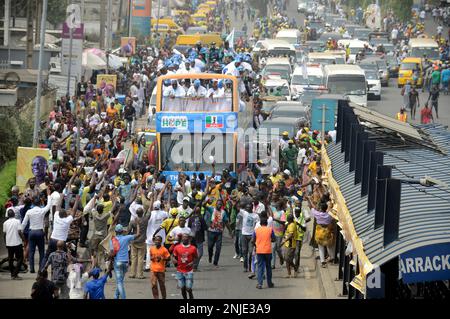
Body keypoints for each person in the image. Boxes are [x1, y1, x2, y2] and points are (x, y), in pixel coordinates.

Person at [22, 188, 52, 273]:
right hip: (40, 232)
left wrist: (20, 231)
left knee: (31, 251)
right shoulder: (42, 210)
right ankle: (41, 268)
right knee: (41, 251)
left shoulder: (29, 211)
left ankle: (31, 269)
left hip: (31, 232)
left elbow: (24, 223)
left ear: (33, 203)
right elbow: (49, 205)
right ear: (40, 203)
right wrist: (49, 195)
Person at [108, 222, 140, 299]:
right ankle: (116, 296)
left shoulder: (112, 240)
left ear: (115, 232)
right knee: (120, 281)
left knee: (119, 282)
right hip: (125, 262)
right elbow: (138, 234)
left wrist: (109, 258)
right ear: (122, 231)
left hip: (117, 262)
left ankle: (123, 297)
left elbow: (112, 253)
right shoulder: (127, 238)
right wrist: (138, 225)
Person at [172, 233, 198, 299]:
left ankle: (191, 295)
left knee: (188, 288)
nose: (184, 238)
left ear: (189, 239)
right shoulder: (177, 247)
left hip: (189, 271)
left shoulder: (193, 248)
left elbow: (196, 258)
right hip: (179, 270)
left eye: (186, 237)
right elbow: (174, 256)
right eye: (183, 237)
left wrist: (192, 263)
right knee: (182, 288)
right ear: (181, 239)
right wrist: (174, 260)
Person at [252, 217, 275, 289]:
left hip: (259, 251)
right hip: (268, 251)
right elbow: (274, 239)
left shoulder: (256, 230)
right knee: (268, 267)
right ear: (267, 223)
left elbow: (252, 241)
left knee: (260, 267)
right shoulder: (270, 229)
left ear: (260, 223)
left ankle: (260, 284)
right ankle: (269, 283)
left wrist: (256, 245)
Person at [205, 199, 229, 267]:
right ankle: (210, 256)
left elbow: (226, 222)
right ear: (216, 204)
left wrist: (230, 231)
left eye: (220, 204)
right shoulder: (212, 209)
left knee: (218, 248)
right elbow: (203, 205)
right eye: (218, 204)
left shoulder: (223, 212)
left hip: (219, 232)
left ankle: (215, 262)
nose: (219, 205)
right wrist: (207, 201)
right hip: (211, 231)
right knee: (210, 246)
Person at [3, 208, 25, 280]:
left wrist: (6, 242)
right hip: (17, 243)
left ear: (8, 215)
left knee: (10, 259)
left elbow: (4, 234)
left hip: (9, 243)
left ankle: (12, 274)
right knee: (20, 258)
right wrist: (24, 240)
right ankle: (15, 274)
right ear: (14, 214)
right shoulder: (17, 221)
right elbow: (19, 232)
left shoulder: (5, 223)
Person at [127, 207, 149, 279]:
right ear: (142, 213)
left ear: (136, 213)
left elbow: (129, 230)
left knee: (133, 257)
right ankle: (140, 274)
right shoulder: (145, 220)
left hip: (134, 240)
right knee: (141, 258)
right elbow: (149, 212)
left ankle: (132, 273)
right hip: (142, 240)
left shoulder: (133, 221)